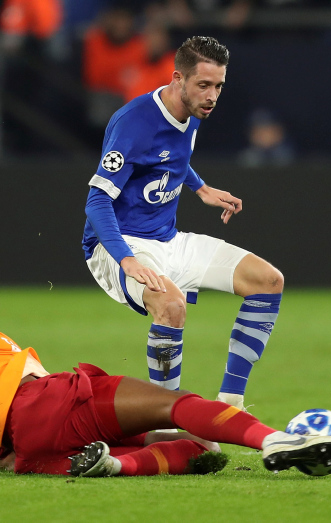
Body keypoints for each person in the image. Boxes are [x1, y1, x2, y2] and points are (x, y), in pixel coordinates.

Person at [0, 246, 331, 477]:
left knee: (201, 449)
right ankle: (277, 441)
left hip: (31, 445)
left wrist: (12, 457)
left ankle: (114, 464)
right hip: (50, 403)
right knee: (179, 404)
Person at [82, 36, 284, 411]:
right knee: (172, 307)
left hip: (168, 239)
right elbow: (96, 201)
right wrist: (127, 260)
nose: (212, 96)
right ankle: (164, 419)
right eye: (204, 85)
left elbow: (169, 157)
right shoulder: (134, 122)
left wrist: (200, 188)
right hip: (118, 245)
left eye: (218, 86)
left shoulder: (191, 111)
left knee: (268, 281)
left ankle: (230, 404)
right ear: (178, 78)